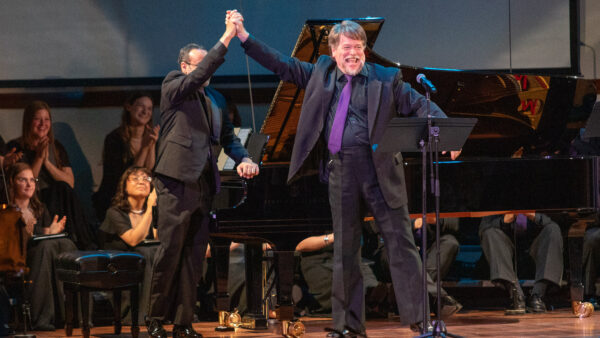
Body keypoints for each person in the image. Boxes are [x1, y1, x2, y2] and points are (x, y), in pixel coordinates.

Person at [228, 11, 459, 336]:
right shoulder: (319, 74)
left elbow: (421, 105)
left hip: (381, 173)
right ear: (333, 52)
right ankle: (349, 326)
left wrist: (446, 132)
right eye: (345, 48)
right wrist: (243, 37)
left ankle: (422, 320)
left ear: (364, 49)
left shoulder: (386, 78)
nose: (352, 53)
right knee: (346, 251)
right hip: (341, 173)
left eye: (358, 47)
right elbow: (281, 63)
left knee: (402, 246)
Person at [145, 14, 260, 338]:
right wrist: (227, 37)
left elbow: (228, 139)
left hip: (204, 185)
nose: (205, 70)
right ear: (184, 67)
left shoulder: (216, 100)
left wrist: (244, 158)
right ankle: (154, 320)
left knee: (195, 258)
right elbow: (203, 71)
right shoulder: (173, 87)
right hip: (175, 181)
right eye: (198, 65)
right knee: (170, 252)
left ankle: (183, 323)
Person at [6, 100, 96, 249]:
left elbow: (70, 182)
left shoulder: (56, 146)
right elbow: (26, 184)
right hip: (33, 197)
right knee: (58, 190)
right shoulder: (15, 147)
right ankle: (82, 243)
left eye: (47, 119)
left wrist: (47, 163)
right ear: (29, 121)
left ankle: (81, 243)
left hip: (58, 197)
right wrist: (39, 158)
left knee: (62, 188)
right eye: (37, 119)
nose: (43, 124)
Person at [8, 162, 77, 331]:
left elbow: (47, 239)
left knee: (66, 244)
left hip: (46, 255)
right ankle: (42, 318)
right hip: (22, 258)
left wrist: (52, 232)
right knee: (46, 248)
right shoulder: (7, 210)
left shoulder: (39, 209)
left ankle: (74, 316)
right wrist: (45, 231)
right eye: (23, 180)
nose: (29, 184)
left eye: (32, 179)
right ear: (12, 182)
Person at [98, 166, 158, 324]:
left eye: (146, 179)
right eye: (136, 178)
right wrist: (150, 209)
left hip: (149, 261)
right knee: (146, 253)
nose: (142, 182)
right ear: (124, 186)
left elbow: (160, 239)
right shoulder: (115, 212)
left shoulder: (154, 211)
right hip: (121, 267)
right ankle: (143, 317)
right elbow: (133, 240)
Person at [93, 92, 160, 222]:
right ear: (129, 107)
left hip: (142, 196)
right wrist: (145, 147)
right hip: (117, 196)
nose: (145, 111)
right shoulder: (114, 139)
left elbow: (149, 170)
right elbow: (129, 176)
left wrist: (151, 145)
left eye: (149, 108)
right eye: (141, 106)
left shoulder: (150, 136)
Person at [479, 213, 563, 314]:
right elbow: (484, 226)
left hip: (536, 240)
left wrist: (535, 216)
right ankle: (516, 295)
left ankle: (538, 295)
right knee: (490, 233)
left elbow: (558, 220)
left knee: (553, 229)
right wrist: (502, 221)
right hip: (505, 240)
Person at [412, 217, 462, 318]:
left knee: (450, 242)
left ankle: (421, 295)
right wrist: (412, 223)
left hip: (428, 250)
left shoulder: (429, 201)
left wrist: (434, 220)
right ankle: (439, 297)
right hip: (400, 247)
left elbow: (454, 223)